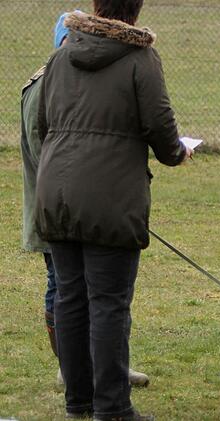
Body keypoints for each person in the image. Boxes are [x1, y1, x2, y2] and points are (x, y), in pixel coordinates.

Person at [35, 2, 193, 419]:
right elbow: (160, 125)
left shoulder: (59, 56)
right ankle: (113, 408)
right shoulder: (141, 59)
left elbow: (41, 122)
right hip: (110, 195)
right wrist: (176, 153)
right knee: (107, 302)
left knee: (70, 296)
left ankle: (79, 401)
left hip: (56, 190)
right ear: (135, 11)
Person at [20, 11, 149, 391]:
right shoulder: (47, 82)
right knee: (63, 287)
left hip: (86, 203)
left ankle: (104, 367)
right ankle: (70, 368)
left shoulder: (76, 77)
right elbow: (44, 148)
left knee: (99, 291)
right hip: (56, 206)